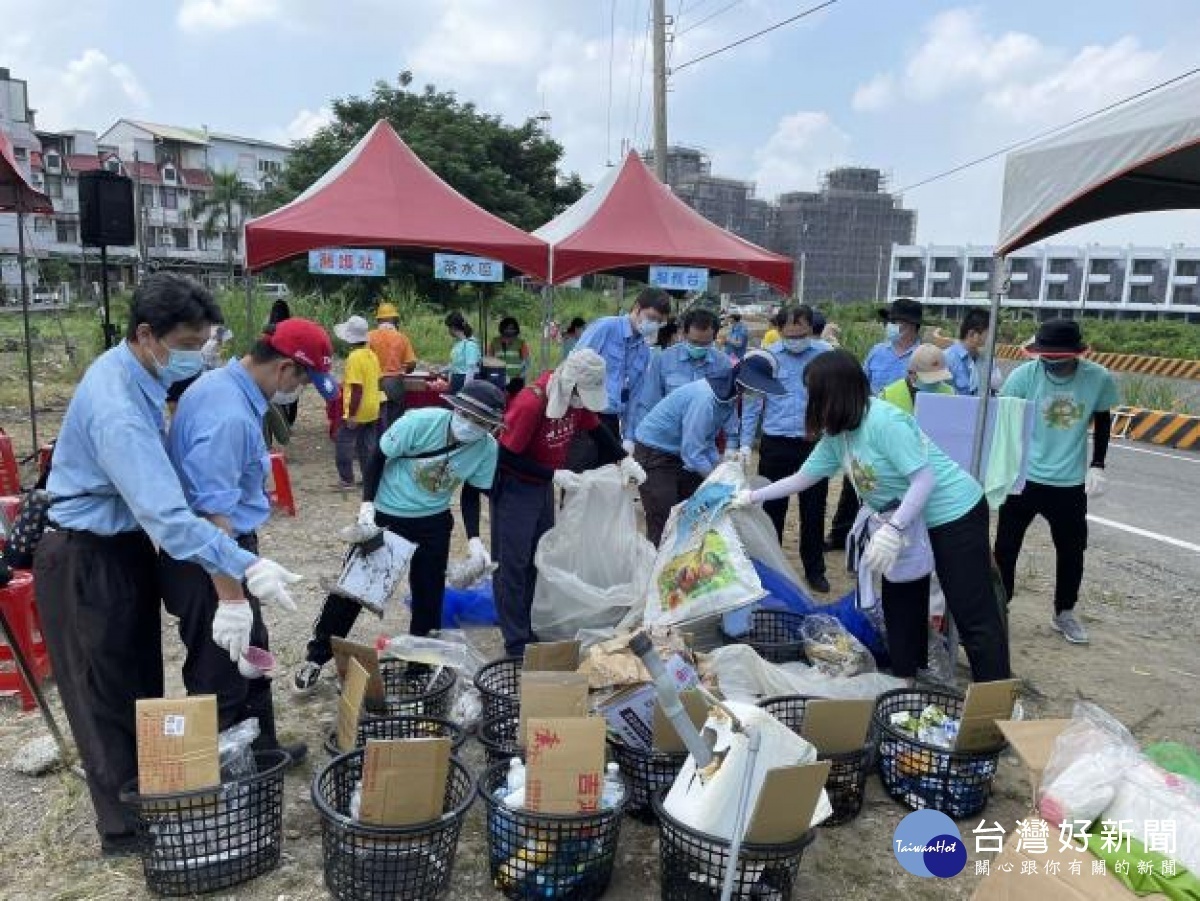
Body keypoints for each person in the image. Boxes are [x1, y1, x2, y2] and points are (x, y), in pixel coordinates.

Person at [33, 273, 302, 857]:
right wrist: (244, 570)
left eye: (203, 343)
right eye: (187, 344)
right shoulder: (118, 409)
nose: (195, 357)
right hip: (83, 554)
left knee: (137, 681)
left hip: (122, 546)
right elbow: (173, 519)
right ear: (148, 334)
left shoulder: (142, 374)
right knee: (102, 693)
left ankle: (152, 802)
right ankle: (124, 830)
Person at [734, 349, 1011, 684]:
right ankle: (906, 679)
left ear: (836, 393)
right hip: (905, 519)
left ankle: (993, 696)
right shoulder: (839, 435)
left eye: (815, 395)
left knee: (970, 606)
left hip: (953, 513)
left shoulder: (884, 421)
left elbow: (924, 480)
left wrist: (893, 529)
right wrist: (751, 496)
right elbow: (803, 477)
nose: (812, 403)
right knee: (901, 601)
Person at [160, 317, 337, 766]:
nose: (303, 391)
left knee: (253, 657)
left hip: (227, 549)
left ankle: (260, 749)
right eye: (305, 381)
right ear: (283, 369)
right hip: (207, 558)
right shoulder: (230, 416)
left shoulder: (225, 387)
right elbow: (210, 515)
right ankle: (222, 781)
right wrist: (232, 599)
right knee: (221, 666)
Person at [293, 381, 507, 692]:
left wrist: (474, 539)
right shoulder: (419, 422)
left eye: (482, 422)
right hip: (389, 513)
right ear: (456, 409)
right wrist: (367, 505)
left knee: (428, 598)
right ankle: (316, 657)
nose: (471, 425)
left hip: (433, 522)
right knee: (355, 591)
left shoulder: (486, 448)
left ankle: (418, 668)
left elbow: (472, 492)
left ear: (491, 425)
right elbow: (378, 457)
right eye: (467, 415)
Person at [460, 350, 646, 656]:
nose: (581, 403)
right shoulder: (532, 403)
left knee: (536, 557)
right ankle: (515, 640)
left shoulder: (575, 402)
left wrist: (624, 459)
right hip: (515, 487)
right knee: (512, 564)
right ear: (569, 384)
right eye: (580, 395)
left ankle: (527, 625)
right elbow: (506, 456)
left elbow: (597, 429)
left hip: (542, 486)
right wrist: (553, 474)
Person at [993, 319, 1117, 645]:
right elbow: (1004, 423)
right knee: (1006, 547)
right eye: (1047, 358)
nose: (1053, 365)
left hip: (1069, 483)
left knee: (1072, 549)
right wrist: (1001, 471)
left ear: (1076, 354)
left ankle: (1064, 611)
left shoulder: (1097, 378)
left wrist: (1098, 464)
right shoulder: (1023, 377)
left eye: (1060, 359)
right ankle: (999, 606)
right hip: (1025, 479)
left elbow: (1103, 419)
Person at [635, 349, 785, 546]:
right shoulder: (706, 399)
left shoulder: (729, 395)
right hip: (655, 453)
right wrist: (718, 479)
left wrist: (722, 467)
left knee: (696, 511)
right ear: (743, 379)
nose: (758, 392)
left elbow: (707, 440)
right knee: (664, 517)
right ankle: (654, 569)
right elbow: (693, 452)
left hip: (681, 453)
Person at [738, 305, 833, 593]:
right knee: (772, 510)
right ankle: (772, 569)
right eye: (790, 334)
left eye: (802, 334)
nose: (796, 339)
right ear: (779, 331)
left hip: (813, 444)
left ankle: (814, 569)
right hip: (775, 441)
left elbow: (833, 398)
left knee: (814, 510)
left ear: (810, 330)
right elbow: (753, 404)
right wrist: (744, 444)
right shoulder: (766, 359)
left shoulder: (824, 356)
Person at [828, 296, 926, 550]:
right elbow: (861, 383)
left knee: (895, 486)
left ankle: (895, 533)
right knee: (857, 482)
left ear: (911, 325)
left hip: (902, 432)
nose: (890, 326)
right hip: (868, 426)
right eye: (890, 321)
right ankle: (840, 534)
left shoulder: (923, 357)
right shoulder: (877, 351)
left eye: (896, 322)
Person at [573, 287, 672, 448]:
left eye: (659, 322)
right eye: (651, 318)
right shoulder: (606, 327)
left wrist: (629, 436)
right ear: (637, 308)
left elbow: (635, 397)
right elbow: (574, 365)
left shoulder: (644, 351)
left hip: (611, 419)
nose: (653, 325)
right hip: (584, 414)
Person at [628, 307, 731, 437]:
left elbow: (727, 407)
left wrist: (732, 444)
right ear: (684, 334)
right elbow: (648, 403)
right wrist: (639, 437)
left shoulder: (723, 365)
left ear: (714, 338)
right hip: (666, 441)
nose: (698, 347)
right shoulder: (663, 360)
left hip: (703, 442)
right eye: (694, 342)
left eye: (705, 343)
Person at [334, 314, 382, 491]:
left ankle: (347, 480)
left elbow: (356, 388)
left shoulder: (354, 357)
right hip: (372, 408)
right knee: (367, 446)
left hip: (358, 409)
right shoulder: (372, 355)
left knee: (343, 443)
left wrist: (352, 414)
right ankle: (369, 478)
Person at [369, 300, 418, 431]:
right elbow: (412, 363)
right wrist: (407, 370)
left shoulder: (369, 337)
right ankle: (392, 446)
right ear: (394, 319)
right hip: (395, 384)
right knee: (395, 420)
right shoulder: (402, 338)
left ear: (378, 320)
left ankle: (375, 448)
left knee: (376, 419)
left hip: (374, 383)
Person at [879, 344, 956, 414]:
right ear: (911, 373)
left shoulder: (950, 393)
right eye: (930, 380)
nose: (936, 383)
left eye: (940, 377)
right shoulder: (888, 396)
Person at [945, 307, 998, 397]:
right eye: (989, 334)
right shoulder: (947, 358)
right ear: (972, 334)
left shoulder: (988, 361)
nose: (993, 338)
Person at [489, 316, 531, 395]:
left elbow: (526, 362)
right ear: (502, 328)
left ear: (516, 330)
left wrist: (520, 377)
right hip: (498, 379)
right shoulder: (495, 341)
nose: (510, 331)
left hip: (515, 381)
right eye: (507, 328)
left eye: (512, 328)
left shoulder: (521, 342)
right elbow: (489, 360)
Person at [445, 311, 481, 394]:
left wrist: (466, 390)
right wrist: (441, 370)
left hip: (464, 381)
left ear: (453, 328)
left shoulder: (470, 344)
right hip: (456, 381)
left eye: (449, 328)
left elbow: (471, 369)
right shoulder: (459, 344)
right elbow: (455, 364)